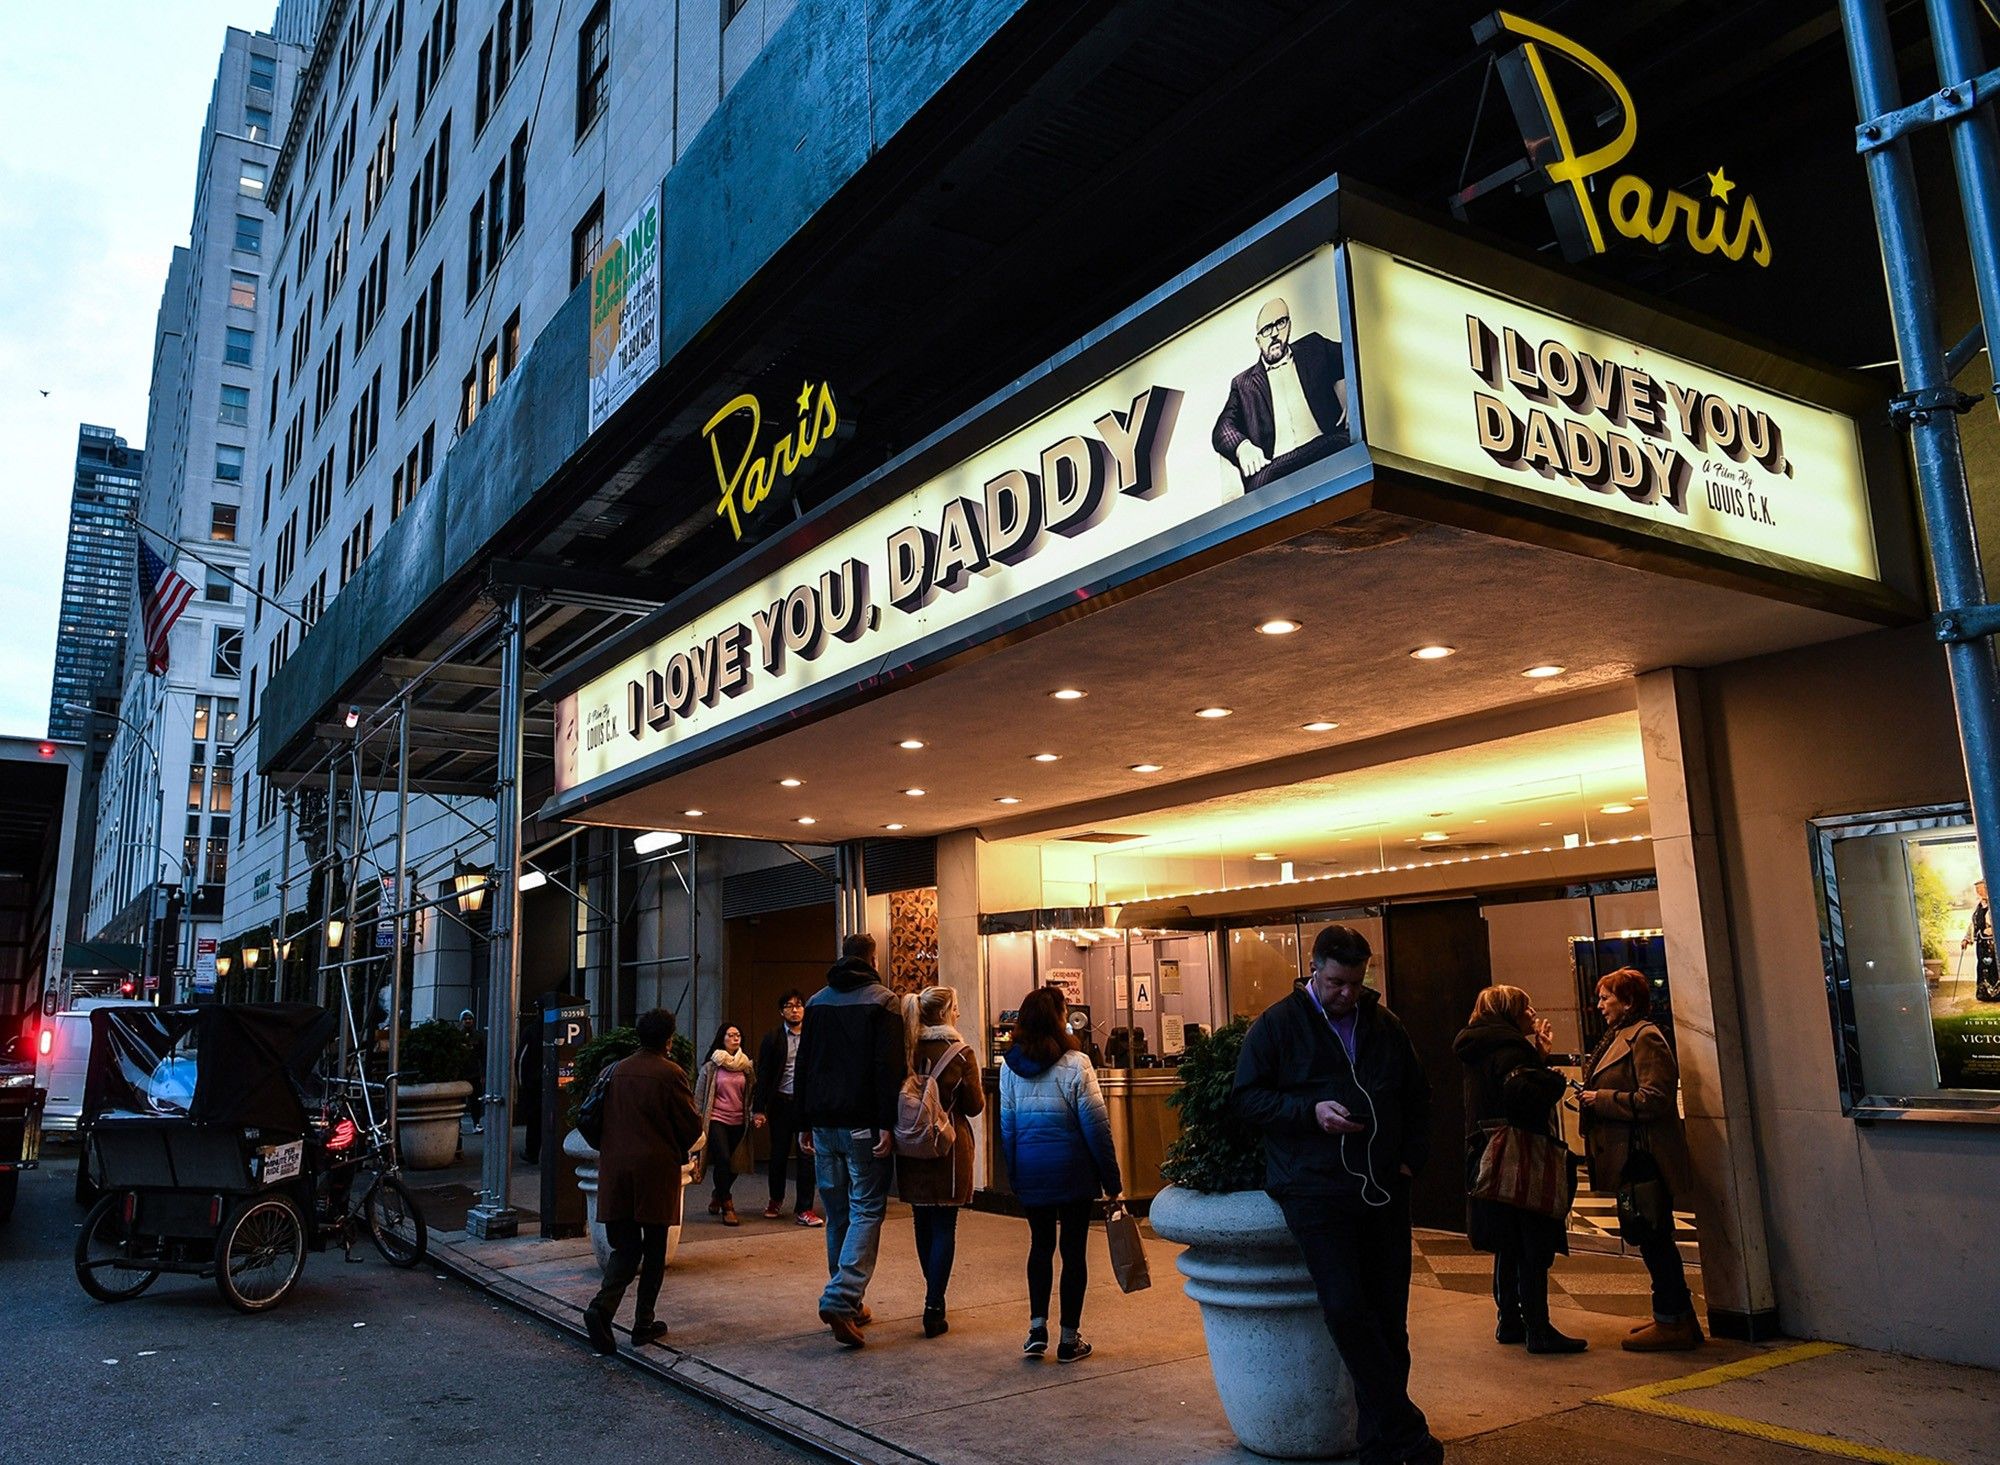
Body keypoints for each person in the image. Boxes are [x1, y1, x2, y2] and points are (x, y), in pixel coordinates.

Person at [1233, 923, 1441, 1465]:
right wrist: (1310, 1113)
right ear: (1314, 968)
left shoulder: (1383, 1024)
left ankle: (1381, 1443)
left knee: (1389, 1318)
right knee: (1347, 1309)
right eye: (1336, 983)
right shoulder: (1277, 1026)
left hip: (1382, 1188)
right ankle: (1405, 1431)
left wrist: (1408, 1160)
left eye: (1355, 982)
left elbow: (1419, 1094)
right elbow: (1248, 1099)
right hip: (1313, 1189)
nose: (1347, 994)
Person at [1453, 985, 1584, 1355]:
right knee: (1532, 1242)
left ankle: (1508, 1319)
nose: (1532, 1013)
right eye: (1526, 1007)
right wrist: (1552, 1078)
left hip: (1490, 1154)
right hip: (1522, 1155)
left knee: (1507, 1242)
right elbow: (1524, 1098)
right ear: (1511, 1012)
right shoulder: (1511, 1049)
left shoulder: (1478, 1047)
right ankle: (1539, 1328)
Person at [1580, 967, 1702, 1352]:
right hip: (1632, 1156)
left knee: (1654, 1237)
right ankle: (1673, 1316)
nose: (1600, 1005)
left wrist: (1603, 1101)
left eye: (1606, 997)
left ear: (1628, 1001)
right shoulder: (1619, 1037)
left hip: (1645, 1156)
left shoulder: (1645, 1037)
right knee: (1649, 1238)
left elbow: (1656, 1098)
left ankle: (1673, 1322)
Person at [1000, 986, 1123, 1364]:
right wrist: (1112, 1182)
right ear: (1058, 1018)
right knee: (1073, 1253)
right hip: (1073, 1174)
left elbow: (1007, 1128)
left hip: (1033, 1172)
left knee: (1039, 1247)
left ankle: (1037, 1329)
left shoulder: (1009, 1067)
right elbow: (1096, 1128)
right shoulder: (1077, 1064)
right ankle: (1069, 1339)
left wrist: (1015, 1175)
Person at [795, 933, 907, 1348]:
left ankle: (850, 1300)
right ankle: (842, 1298)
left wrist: (803, 1121)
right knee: (867, 1209)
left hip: (823, 1123)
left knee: (837, 1210)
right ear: (872, 957)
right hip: (863, 1122)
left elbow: (804, 1064)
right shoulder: (884, 1000)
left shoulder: (816, 1001)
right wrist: (886, 1123)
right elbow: (887, 1067)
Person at [582, 1007, 703, 1355]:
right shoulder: (671, 1074)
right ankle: (643, 1323)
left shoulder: (613, 1071)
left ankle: (601, 1308)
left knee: (625, 1247)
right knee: (653, 1249)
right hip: (654, 1173)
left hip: (616, 1173)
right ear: (669, 1039)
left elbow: (590, 1121)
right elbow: (691, 1126)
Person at [898, 984, 984, 1338]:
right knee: (944, 1226)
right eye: (957, 1007)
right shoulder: (961, 1053)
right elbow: (974, 1105)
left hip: (911, 1146)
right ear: (946, 1012)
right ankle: (934, 1303)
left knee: (922, 1221)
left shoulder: (907, 1048)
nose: (959, 1013)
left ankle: (933, 1294)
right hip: (949, 1148)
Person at [1210, 295, 1350, 491]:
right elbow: (1222, 428)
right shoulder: (1243, 384)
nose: (1274, 333)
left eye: (1280, 323)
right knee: (1257, 489)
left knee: (1351, 448)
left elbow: (1356, 353)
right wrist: (1242, 447)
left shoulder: (1314, 347)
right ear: (1258, 340)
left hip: (1326, 445)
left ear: (1289, 325)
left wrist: (1355, 397)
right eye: (1266, 329)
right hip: (1274, 466)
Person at [754, 990, 821, 1225]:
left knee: (807, 1156)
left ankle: (805, 1208)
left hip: (805, 1106)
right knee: (778, 1155)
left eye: (799, 1005)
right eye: (789, 1006)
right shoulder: (772, 1038)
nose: (795, 1010)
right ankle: (775, 1198)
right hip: (781, 1103)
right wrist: (759, 1108)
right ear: (781, 1011)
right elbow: (763, 1074)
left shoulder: (812, 1037)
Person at [693, 1024, 757, 1226]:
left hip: (739, 1120)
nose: (735, 1038)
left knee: (735, 1163)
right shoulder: (712, 1066)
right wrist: (696, 1119)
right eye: (730, 1035)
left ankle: (717, 1193)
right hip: (716, 1119)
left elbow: (752, 1093)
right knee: (722, 1159)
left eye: (738, 1035)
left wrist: (755, 1113)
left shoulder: (746, 1066)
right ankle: (727, 1204)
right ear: (722, 1038)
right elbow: (699, 1097)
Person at [516, 1007, 544, 1165]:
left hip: (534, 1084)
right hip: (550, 1081)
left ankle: (532, 1152)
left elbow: (521, 1059)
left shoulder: (531, 1030)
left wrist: (522, 1084)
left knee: (534, 1120)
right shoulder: (559, 1028)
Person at [1963, 881, 2000, 1002]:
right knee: (1982, 966)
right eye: (1977, 890)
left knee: (1994, 966)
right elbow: (1973, 925)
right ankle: (1984, 994)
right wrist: (1966, 939)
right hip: (1981, 943)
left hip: (1993, 943)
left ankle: (1997, 994)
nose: (1979, 892)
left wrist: (1993, 930)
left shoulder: (1995, 904)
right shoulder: (1978, 906)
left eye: (1981, 889)